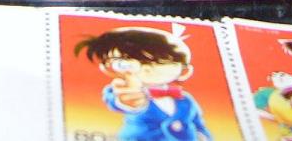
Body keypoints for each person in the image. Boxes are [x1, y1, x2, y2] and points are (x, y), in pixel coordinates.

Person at [75, 26, 212, 141]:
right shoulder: (124, 89)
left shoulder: (185, 100)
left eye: (159, 61)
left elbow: (198, 124)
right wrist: (128, 101)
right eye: (128, 62)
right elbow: (117, 100)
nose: (145, 68)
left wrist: (202, 137)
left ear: (184, 71)